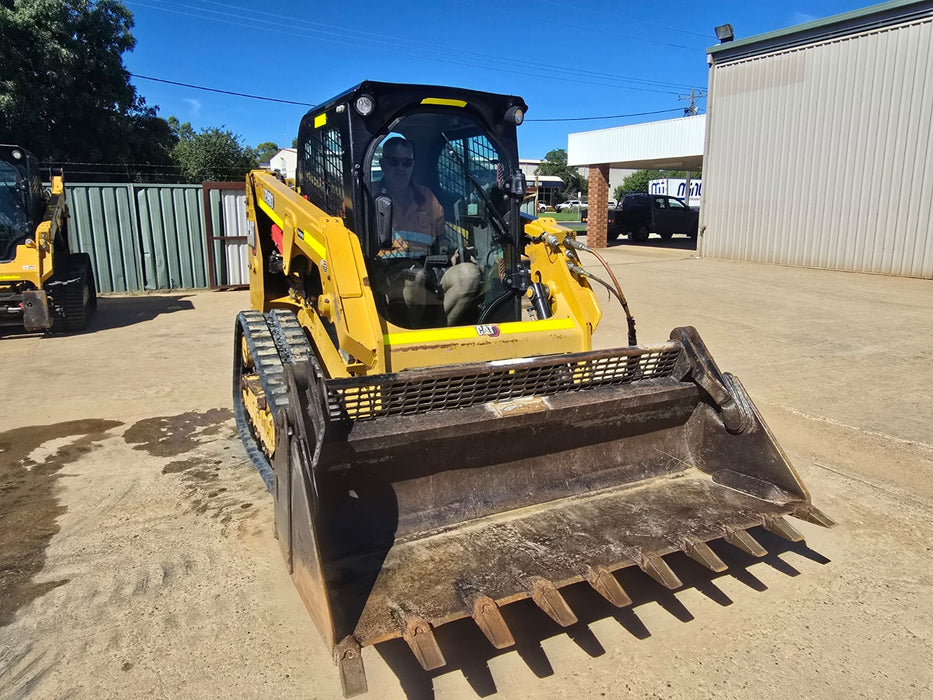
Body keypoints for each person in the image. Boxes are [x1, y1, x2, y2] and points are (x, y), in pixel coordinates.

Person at [373, 137, 480, 327]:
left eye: (406, 163)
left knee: (469, 275)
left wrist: (453, 252)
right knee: (414, 277)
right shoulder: (368, 197)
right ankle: (410, 342)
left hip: (429, 269)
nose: (400, 167)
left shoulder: (426, 198)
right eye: (393, 162)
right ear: (383, 164)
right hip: (385, 274)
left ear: (412, 166)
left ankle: (435, 337)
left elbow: (442, 238)